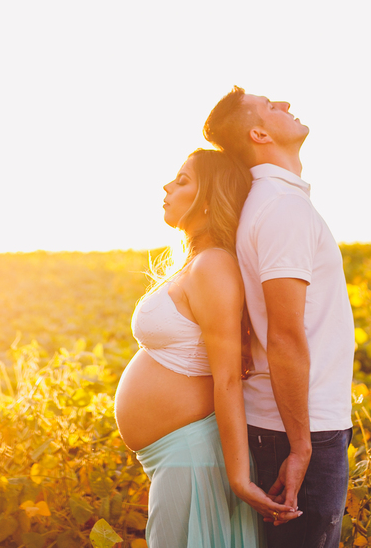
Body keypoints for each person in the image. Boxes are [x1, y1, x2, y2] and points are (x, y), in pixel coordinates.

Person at [115, 148, 297, 547]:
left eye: (182, 181)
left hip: (196, 457)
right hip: (180, 458)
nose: (167, 186)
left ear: (210, 199)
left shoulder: (213, 265)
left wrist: (237, 477)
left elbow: (228, 377)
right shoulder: (197, 262)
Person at [203, 87, 356, 548]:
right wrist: (302, 446)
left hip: (297, 423)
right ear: (259, 133)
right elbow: (285, 335)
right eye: (271, 106)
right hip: (301, 428)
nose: (285, 105)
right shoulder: (283, 209)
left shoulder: (278, 203)